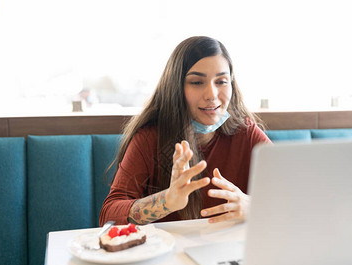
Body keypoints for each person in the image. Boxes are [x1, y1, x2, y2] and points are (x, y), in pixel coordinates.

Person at [99, 36, 271, 226]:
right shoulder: (149, 138)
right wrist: (167, 201)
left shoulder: (246, 133)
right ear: (176, 88)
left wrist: (254, 206)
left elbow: (297, 195)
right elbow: (109, 216)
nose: (212, 95)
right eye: (197, 82)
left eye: (221, 81)